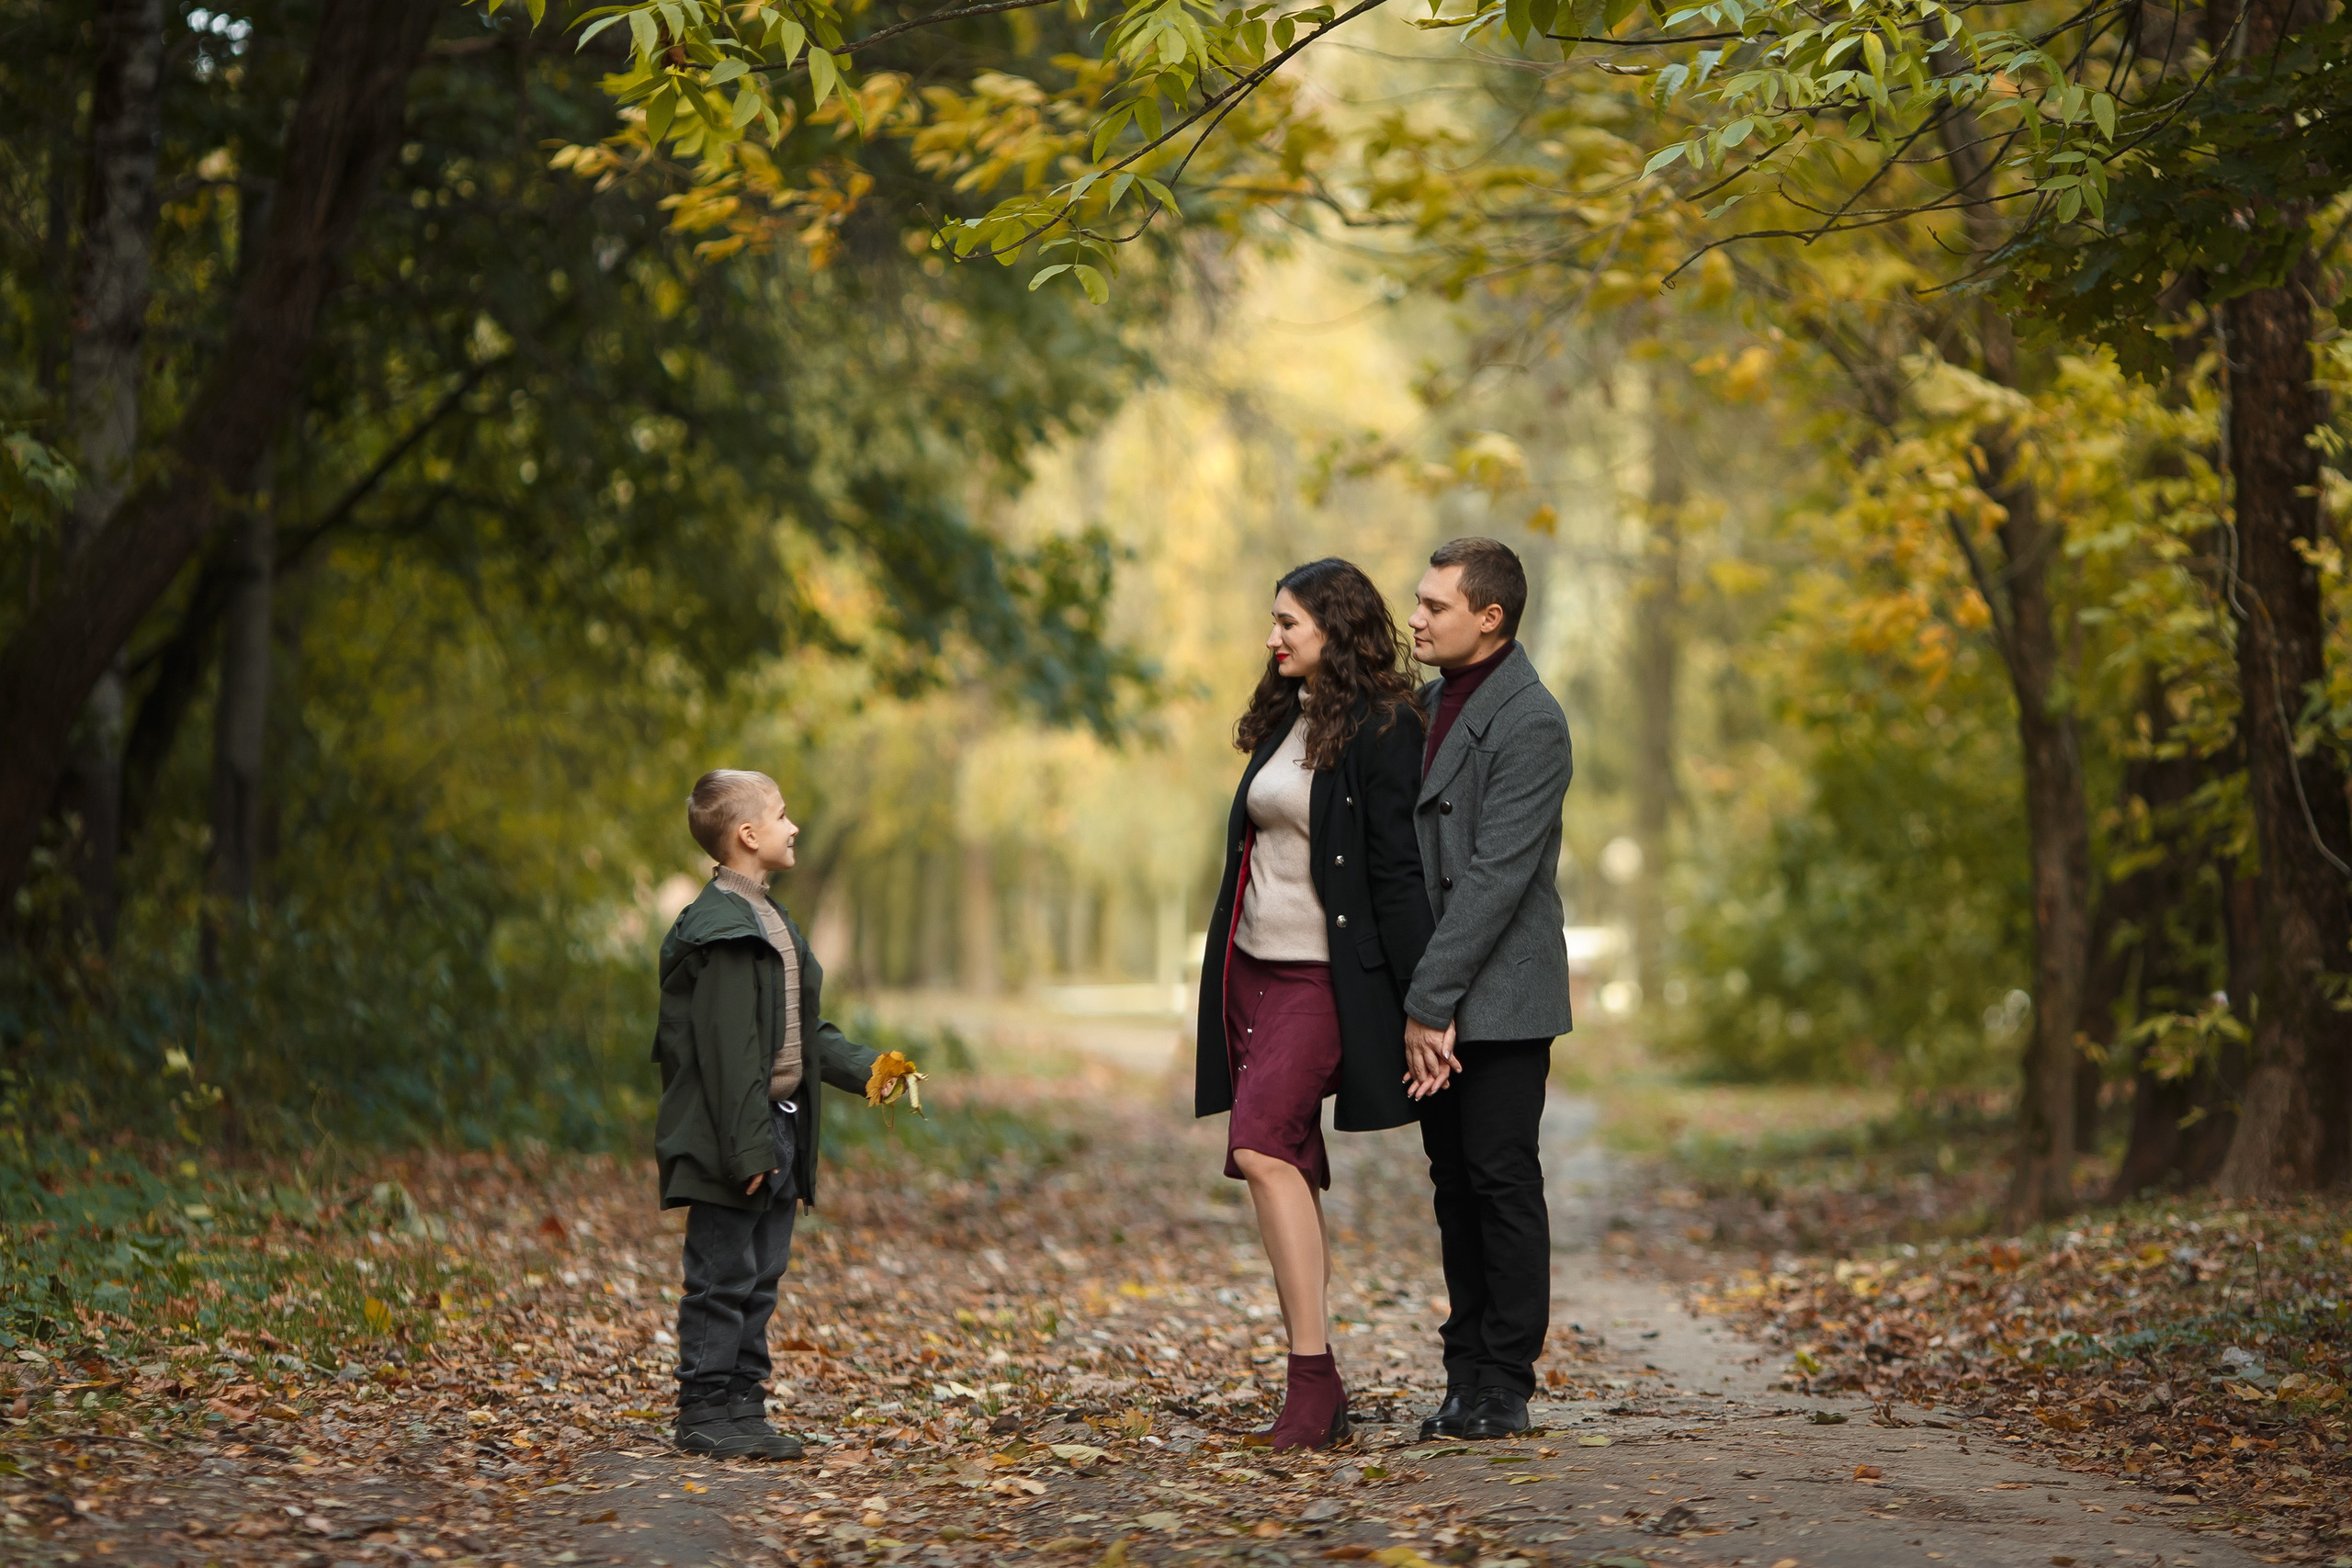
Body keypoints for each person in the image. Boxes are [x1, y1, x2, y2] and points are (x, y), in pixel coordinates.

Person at [1195, 558, 1436, 1451]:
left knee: (1258, 1146)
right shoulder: (1284, 719)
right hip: (1253, 971)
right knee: (1280, 1154)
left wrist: (1423, 1005)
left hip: (1323, 982)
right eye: (1273, 622)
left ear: (1335, 628)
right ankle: (1316, 1388)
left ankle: (1313, 1379)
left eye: (1288, 624)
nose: (1273, 638)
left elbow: (1396, 876)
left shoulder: (1384, 728)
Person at [652, 769, 895, 1460]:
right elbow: (731, 1055)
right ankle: (703, 1409)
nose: (794, 828)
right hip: (734, 1133)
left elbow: (799, 1031)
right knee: (722, 1274)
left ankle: (743, 1405)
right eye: (783, 816)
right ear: (747, 834)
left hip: (773, 1125)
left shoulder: (767, 917)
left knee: (760, 1274)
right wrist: (749, 1149)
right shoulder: (726, 931)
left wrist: (870, 1069)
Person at [1398, 537, 1574, 1442]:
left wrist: (1430, 1005)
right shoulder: (1424, 705)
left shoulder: (1530, 719)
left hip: (1499, 998)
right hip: (1436, 999)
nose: (1416, 618)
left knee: (1500, 1181)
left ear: (1489, 617)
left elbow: (1497, 877)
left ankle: (1504, 1383)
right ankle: (1463, 1373)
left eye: (1434, 606)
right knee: (1452, 1186)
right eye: (1419, 602)